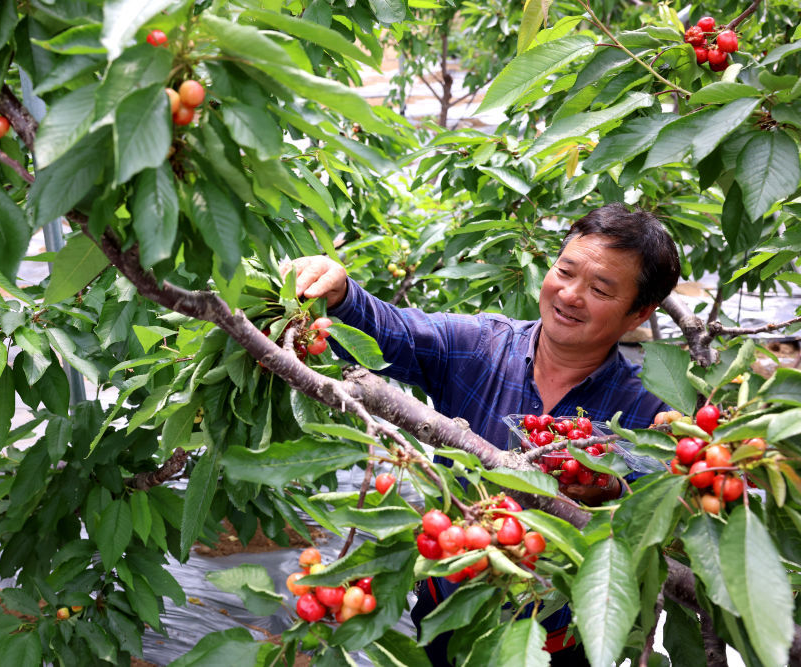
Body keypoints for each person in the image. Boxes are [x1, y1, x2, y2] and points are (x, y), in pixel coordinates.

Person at [282, 203, 682, 666]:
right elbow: (395, 330)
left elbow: (661, 535)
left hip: (559, 648)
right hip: (445, 620)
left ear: (639, 314)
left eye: (599, 289)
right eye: (565, 271)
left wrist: (614, 490)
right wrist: (340, 291)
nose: (571, 294)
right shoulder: (480, 346)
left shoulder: (650, 413)